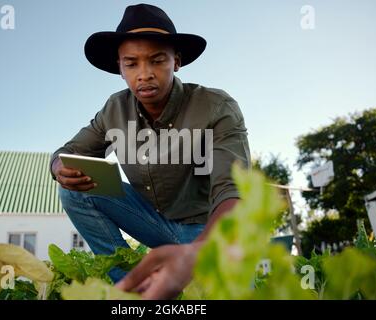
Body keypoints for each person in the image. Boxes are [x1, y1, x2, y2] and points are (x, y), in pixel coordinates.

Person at [50, 3, 251, 299]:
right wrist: (59, 168)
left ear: (177, 61)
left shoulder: (216, 107)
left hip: (207, 230)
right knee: (73, 191)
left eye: (157, 61)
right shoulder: (113, 110)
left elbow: (232, 190)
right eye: (131, 64)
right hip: (152, 222)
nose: (144, 74)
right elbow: (67, 152)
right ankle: (131, 287)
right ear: (120, 68)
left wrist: (199, 252)